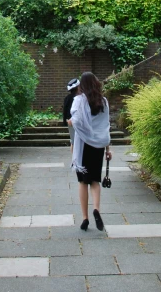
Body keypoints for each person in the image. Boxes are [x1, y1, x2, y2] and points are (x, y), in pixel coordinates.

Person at [67, 71, 112, 231]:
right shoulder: (104, 102)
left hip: (84, 145)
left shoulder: (79, 100)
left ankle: (85, 218)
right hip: (98, 146)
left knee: (82, 182)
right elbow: (105, 126)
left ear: (82, 85)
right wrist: (108, 148)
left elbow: (77, 121)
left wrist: (71, 122)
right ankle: (96, 209)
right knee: (94, 180)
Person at [63, 78, 80, 148]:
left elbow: (65, 110)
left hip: (70, 121)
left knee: (73, 141)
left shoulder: (67, 98)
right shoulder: (80, 98)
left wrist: (64, 121)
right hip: (78, 121)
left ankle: (74, 157)